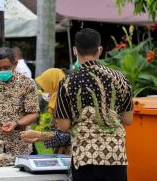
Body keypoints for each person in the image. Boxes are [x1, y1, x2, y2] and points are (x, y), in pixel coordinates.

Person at [53, 28, 133, 181]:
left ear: (75, 50)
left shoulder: (67, 82)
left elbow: (63, 126)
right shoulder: (121, 79)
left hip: (85, 157)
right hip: (115, 155)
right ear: (100, 50)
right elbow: (128, 120)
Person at [0, 47, 39, 156]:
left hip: (20, 145)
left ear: (15, 64)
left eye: (6, 67)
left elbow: (33, 114)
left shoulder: (27, 83)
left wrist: (16, 123)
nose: (2, 71)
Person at [20, 68, 71, 154]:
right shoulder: (56, 104)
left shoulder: (66, 104)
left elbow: (69, 137)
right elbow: (60, 136)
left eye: (44, 88)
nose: (43, 92)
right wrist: (39, 138)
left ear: (53, 85)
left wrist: (41, 135)